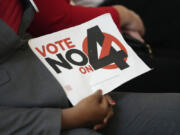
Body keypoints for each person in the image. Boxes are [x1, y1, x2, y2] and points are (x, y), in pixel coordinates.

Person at [1, 0, 180, 135]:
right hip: (34, 112)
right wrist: (69, 118)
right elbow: (55, 21)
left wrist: (81, 82)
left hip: (52, 76)